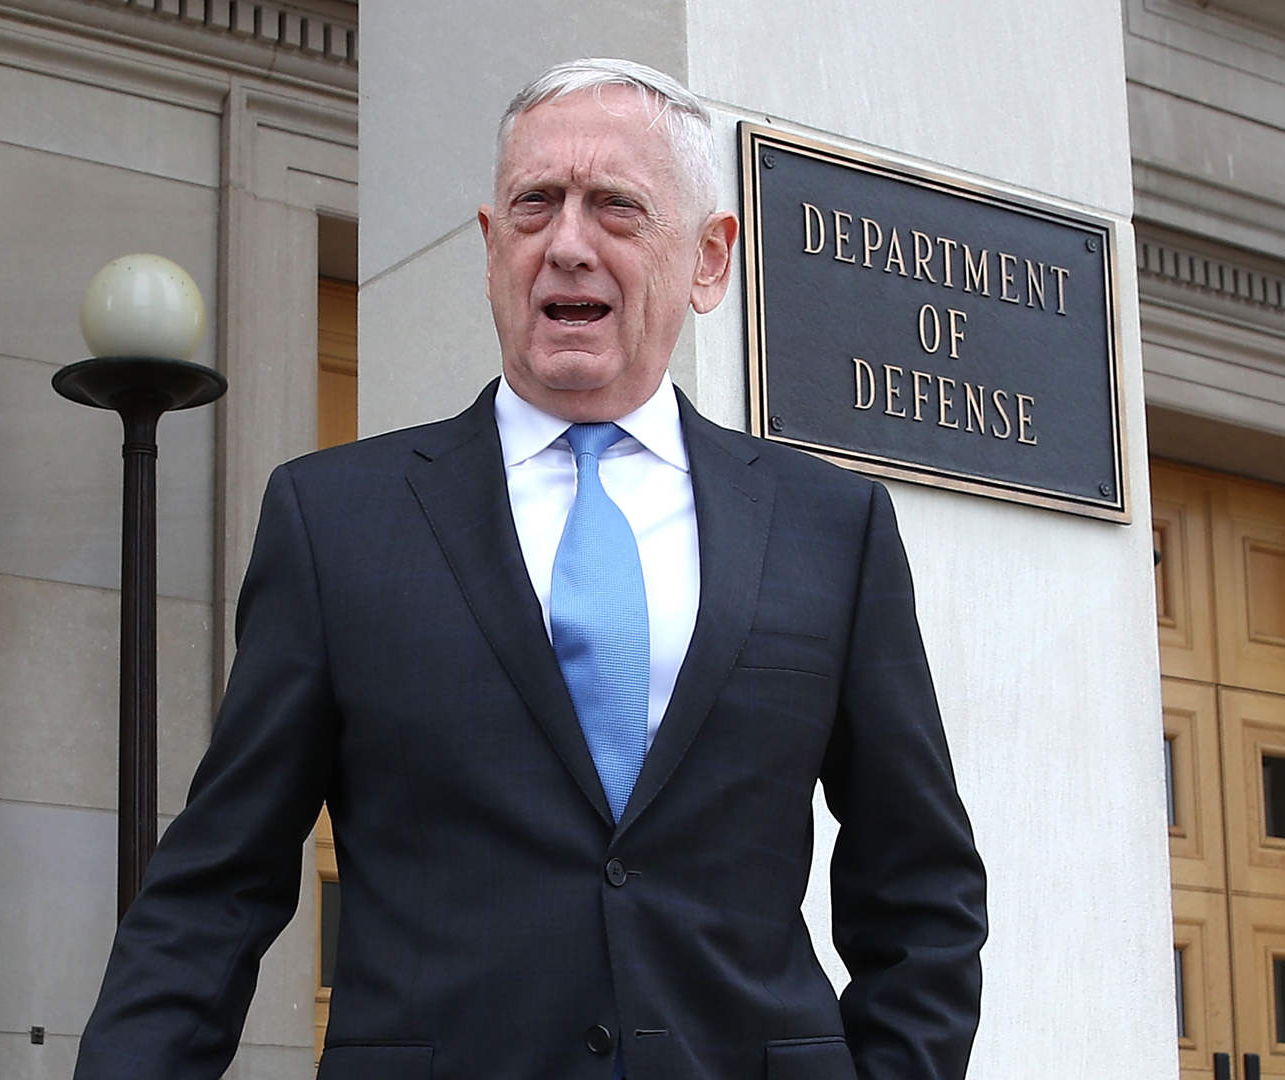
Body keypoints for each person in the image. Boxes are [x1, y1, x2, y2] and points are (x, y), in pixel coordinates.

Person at [74, 57, 987, 1080]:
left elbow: (920, 888)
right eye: (535, 206)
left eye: (616, 208)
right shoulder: (334, 522)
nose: (567, 245)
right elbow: (215, 889)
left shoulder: (834, 527)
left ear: (709, 259)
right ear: (490, 244)